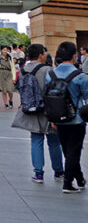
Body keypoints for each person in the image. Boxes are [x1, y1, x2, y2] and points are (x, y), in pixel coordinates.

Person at [11, 43, 65, 184]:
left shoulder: (23, 70)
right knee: (54, 142)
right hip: (48, 110)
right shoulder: (47, 70)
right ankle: (58, 172)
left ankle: (38, 174)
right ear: (41, 54)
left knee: (36, 141)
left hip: (31, 109)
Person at [47, 41, 88, 193]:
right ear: (74, 56)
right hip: (76, 119)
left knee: (68, 151)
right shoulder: (80, 76)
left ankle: (79, 178)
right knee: (74, 151)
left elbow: (48, 98)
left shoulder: (50, 75)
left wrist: (51, 119)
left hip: (57, 118)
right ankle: (68, 183)